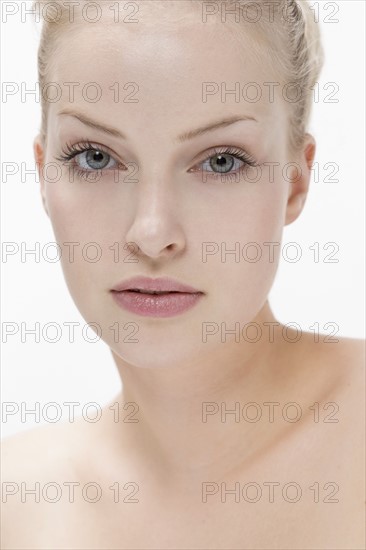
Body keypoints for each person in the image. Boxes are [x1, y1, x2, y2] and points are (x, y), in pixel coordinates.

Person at [2, 1, 365, 548]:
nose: (152, 233)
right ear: (43, 175)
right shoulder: (17, 504)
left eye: (221, 161)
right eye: (96, 158)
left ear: (295, 182)